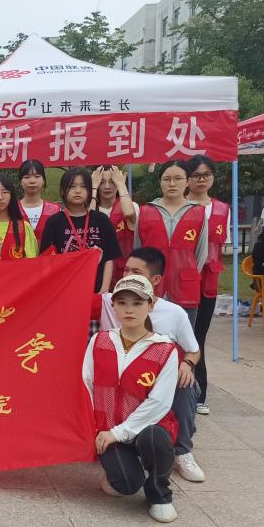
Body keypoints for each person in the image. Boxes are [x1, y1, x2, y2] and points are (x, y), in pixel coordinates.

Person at [97, 248, 206, 483]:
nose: (128, 275)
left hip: (157, 380)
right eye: (126, 270)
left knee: (185, 383)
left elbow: (194, 349)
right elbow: (67, 297)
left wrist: (187, 364)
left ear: (155, 280)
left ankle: (182, 451)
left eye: (136, 272)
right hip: (121, 381)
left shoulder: (174, 313)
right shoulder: (109, 302)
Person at [83, 274, 180, 523]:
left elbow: (159, 402)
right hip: (108, 430)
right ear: (113, 306)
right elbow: (86, 384)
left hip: (146, 428)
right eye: (122, 303)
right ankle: (123, 470)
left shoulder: (164, 350)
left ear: (151, 305)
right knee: (125, 485)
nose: (129, 310)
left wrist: (120, 432)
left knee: (155, 438)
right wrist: (97, 430)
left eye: (137, 303)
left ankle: (159, 493)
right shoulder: (100, 341)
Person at [133, 161, 207, 323]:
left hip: (185, 288)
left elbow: (201, 254)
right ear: (160, 182)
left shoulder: (198, 213)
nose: (172, 183)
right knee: (149, 335)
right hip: (151, 287)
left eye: (178, 178)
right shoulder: (146, 212)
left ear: (187, 182)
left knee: (184, 335)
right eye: (166, 179)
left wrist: (188, 272)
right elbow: (137, 251)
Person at [185, 154, 228, 415]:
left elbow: (221, 246)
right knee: (179, 334)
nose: (201, 180)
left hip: (208, 281)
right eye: (196, 175)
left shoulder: (222, 209)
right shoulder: (181, 206)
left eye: (206, 175)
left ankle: (199, 391)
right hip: (183, 279)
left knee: (198, 337)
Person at [41, 168, 121, 290]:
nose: (78, 191)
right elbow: (47, 261)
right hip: (64, 289)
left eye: (83, 187)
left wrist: (103, 291)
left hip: (96, 289)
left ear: (90, 191)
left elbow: (109, 259)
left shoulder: (101, 220)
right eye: (72, 186)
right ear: (62, 190)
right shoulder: (54, 222)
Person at [93, 165, 138, 289]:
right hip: (96, 276)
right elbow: (88, 220)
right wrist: (93, 187)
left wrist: (121, 184)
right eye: (102, 182)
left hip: (123, 276)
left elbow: (129, 213)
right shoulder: (90, 208)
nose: (107, 186)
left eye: (112, 182)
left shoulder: (131, 206)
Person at [18, 160, 61, 243]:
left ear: (44, 180)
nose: (32, 181)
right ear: (20, 181)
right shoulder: (12, 209)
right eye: (27, 177)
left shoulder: (55, 210)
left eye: (37, 176)